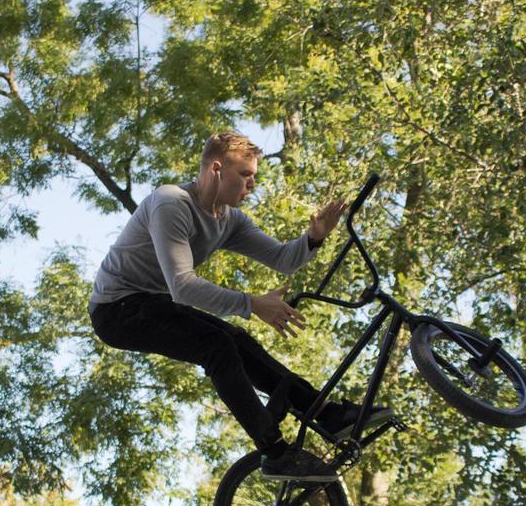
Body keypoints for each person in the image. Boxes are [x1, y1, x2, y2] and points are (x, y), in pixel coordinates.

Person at [88, 131, 391, 481]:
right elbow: (183, 286)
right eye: (245, 176)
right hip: (116, 309)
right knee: (216, 347)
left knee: (239, 342)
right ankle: (275, 452)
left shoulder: (229, 220)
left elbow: (282, 259)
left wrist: (314, 237)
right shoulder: (171, 203)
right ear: (217, 169)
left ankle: (326, 412)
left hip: (152, 302)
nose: (252, 185)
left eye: (255, 178)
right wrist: (252, 303)